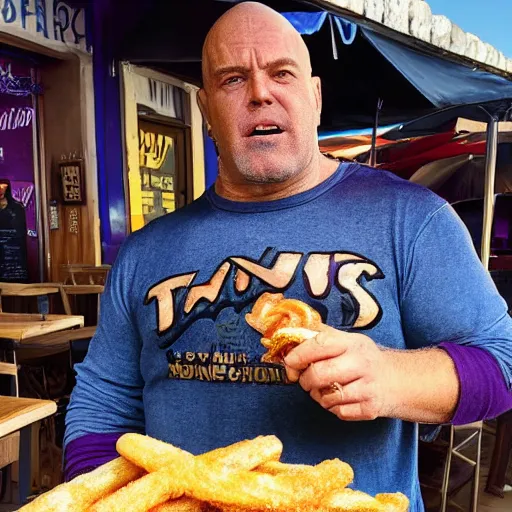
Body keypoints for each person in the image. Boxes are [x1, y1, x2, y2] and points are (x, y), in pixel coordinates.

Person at [64, 3, 512, 510]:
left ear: (314, 96)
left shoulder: (411, 219)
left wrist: (391, 376)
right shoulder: (146, 249)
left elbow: (502, 364)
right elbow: (102, 407)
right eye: (233, 79)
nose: (260, 92)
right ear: (206, 108)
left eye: (282, 72)